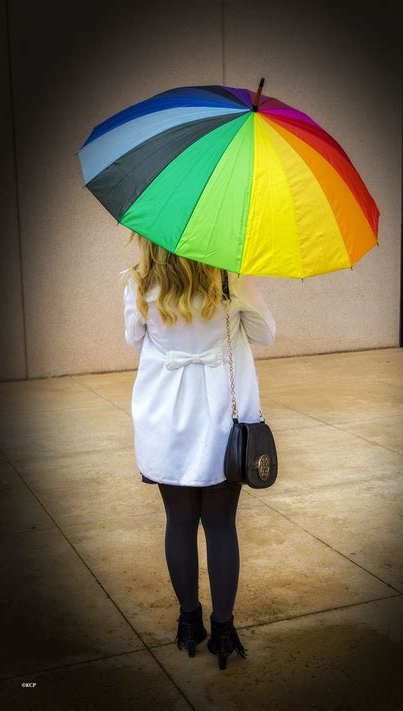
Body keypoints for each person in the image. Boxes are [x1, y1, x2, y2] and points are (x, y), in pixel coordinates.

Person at [120, 231, 276, 670]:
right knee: (222, 524)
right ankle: (223, 630)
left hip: (166, 419)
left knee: (179, 522)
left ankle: (189, 622)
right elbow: (265, 335)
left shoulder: (138, 282)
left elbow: (136, 339)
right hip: (222, 421)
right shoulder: (231, 278)